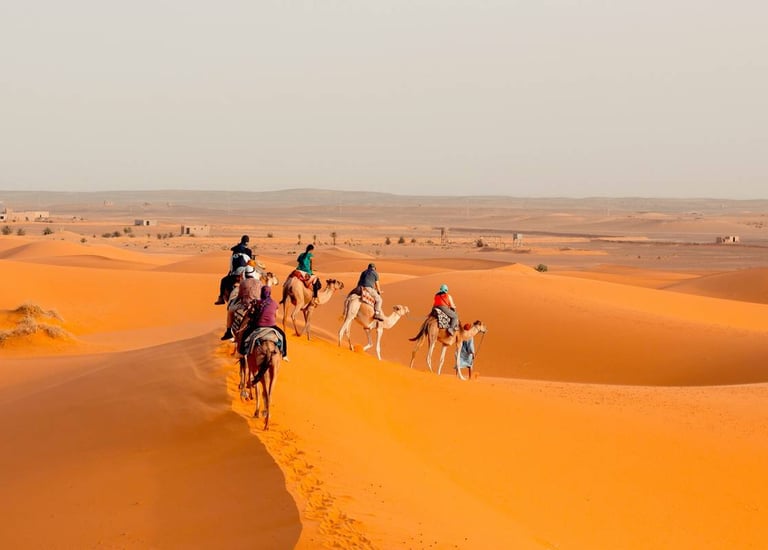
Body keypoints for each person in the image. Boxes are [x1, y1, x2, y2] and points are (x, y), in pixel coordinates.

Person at [241, 285, 289, 366]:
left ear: (261, 293)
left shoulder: (257, 302)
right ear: (269, 293)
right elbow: (276, 316)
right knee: (283, 335)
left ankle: (241, 352)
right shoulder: (274, 303)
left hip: (259, 326)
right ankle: (284, 355)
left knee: (245, 334)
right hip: (272, 326)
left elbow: (253, 313)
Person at [221, 265, 261, 341]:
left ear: (245, 274)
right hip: (257, 305)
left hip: (245, 306)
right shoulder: (259, 282)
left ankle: (229, 332)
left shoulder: (243, 283)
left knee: (230, 310)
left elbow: (240, 295)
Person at [215, 235, 254, 305]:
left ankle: (221, 298)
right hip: (245, 274)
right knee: (255, 282)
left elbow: (232, 265)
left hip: (234, 275)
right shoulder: (248, 251)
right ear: (247, 242)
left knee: (223, 281)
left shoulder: (235, 250)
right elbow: (250, 264)